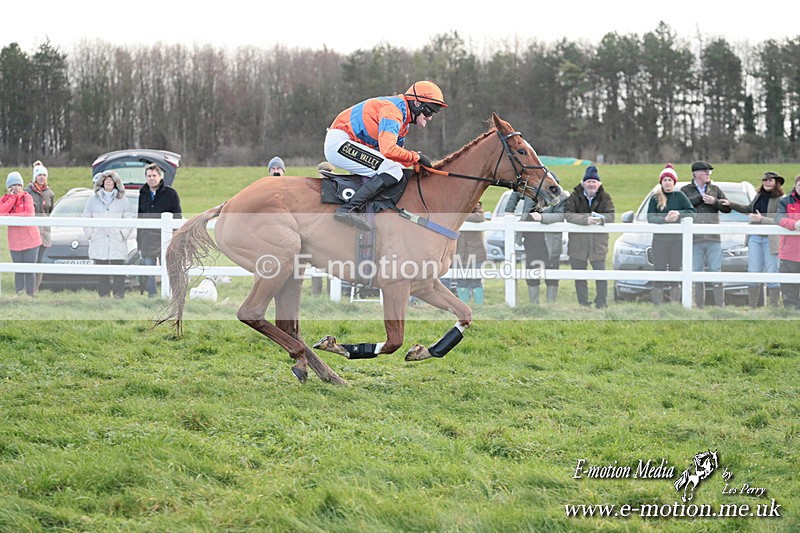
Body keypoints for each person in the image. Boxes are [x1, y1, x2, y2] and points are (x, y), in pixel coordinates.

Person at [324, 80, 447, 231]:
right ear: (416, 103)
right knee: (392, 171)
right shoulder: (393, 112)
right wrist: (417, 157)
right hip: (339, 143)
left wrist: (415, 164)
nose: (430, 118)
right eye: (429, 112)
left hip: (348, 142)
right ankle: (348, 210)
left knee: (396, 169)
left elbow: (395, 158)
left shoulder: (404, 122)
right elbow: (388, 150)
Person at [729, 171, 785, 307]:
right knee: (753, 270)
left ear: (776, 183)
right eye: (765, 180)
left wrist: (761, 219)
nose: (766, 183)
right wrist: (730, 204)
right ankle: (753, 306)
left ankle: (774, 305)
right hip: (754, 237)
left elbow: (780, 220)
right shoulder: (759, 196)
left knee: (772, 271)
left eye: (770, 180)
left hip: (770, 240)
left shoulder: (781, 199)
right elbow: (749, 209)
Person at [681, 160, 731, 307]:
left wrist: (714, 202)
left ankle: (720, 306)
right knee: (696, 272)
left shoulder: (715, 189)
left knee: (716, 271)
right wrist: (700, 197)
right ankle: (699, 307)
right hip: (694, 239)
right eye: (705, 171)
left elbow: (727, 208)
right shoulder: (685, 190)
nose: (708, 173)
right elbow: (684, 206)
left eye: (709, 171)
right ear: (696, 174)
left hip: (713, 238)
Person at [564, 165, 615, 308]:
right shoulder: (574, 197)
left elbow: (611, 216)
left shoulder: (605, 197)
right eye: (589, 182)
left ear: (599, 184)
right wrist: (585, 220)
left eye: (594, 182)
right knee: (580, 276)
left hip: (598, 244)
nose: (591, 184)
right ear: (583, 183)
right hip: (578, 244)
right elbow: (568, 215)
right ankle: (583, 303)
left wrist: (598, 219)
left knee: (601, 275)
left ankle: (601, 303)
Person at [505, 189, 568, 304]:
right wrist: (509, 210)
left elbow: (560, 216)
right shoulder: (531, 189)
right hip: (531, 241)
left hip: (551, 244)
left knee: (552, 275)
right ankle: (534, 305)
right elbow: (516, 192)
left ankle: (550, 305)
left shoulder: (561, 195)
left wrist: (542, 218)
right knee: (531, 274)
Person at [646, 164, 695, 305]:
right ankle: (657, 305)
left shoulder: (680, 196)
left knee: (675, 269)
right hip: (659, 241)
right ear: (661, 182)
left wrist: (679, 214)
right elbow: (650, 217)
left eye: (670, 180)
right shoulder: (655, 198)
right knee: (659, 270)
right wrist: (665, 220)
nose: (667, 183)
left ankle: (675, 303)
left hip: (676, 241)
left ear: (674, 182)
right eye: (665, 180)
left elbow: (692, 212)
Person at [83, 171, 134, 298]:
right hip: (99, 239)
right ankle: (103, 295)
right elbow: (85, 218)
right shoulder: (92, 200)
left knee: (118, 269)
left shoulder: (123, 200)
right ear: (102, 182)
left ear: (116, 183)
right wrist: (91, 235)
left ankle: (118, 295)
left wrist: (122, 235)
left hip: (117, 240)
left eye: (111, 180)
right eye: (106, 180)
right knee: (101, 270)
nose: (109, 182)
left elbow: (129, 219)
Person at [137, 163, 182, 298]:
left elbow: (177, 216)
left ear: (160, 177)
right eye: (149, 176)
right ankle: (152, 296)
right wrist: (139, 241)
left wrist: (175, 237)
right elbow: (140, 217)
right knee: (149, 269)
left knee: (167, 268)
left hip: (165, 238)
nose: (151, 178)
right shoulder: (143, 194)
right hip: (147, 239)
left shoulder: (171, 194)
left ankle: (168, 295)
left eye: (154, 176)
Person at [0, 172, 42, 296]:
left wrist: (10, 216)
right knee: (18, 269)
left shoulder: (27, 197)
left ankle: (30, 295)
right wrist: (12, 199)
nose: (17, 187)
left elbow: (28, 214)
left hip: (31, 240)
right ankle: (19, 294)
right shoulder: (5, 199)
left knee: (29, 269)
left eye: (19, 185)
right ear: (9, 187)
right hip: (15, 242)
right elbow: (1, 213)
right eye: (14, 185)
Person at [25, 162, 56, 293]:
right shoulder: (27, 192)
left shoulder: (50, 193)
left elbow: (51, 212)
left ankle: (35, 290)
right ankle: (27, 290)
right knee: (31, 261)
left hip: (45, 233)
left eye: (44, 175)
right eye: (39, 175)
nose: (42, 177)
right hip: (31, 233)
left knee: (39, 262)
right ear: (35, 177)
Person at [311, 161, 337, 296]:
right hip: (317, 230)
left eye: (329, 172)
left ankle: (332, 293)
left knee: (331, 264)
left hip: (332, 230)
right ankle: (316, 293)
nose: (326, 175)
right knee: (315, 263)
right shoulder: (313, 190)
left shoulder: (337, 188)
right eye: (323, 173)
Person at [454, 202, 487, 304]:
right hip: (459, 254)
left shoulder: (477, 211)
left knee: (476, 281)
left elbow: (480, 217)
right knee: (461, 281)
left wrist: (460, 216)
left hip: (476, 254)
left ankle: (479, 305)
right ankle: (463, 305)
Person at [775, 174, 800, 310]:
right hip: (789, 252)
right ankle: (791, 311)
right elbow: (779, 218)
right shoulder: (785, 201)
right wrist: (794, 224)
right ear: (795, 185)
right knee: (789, 286)